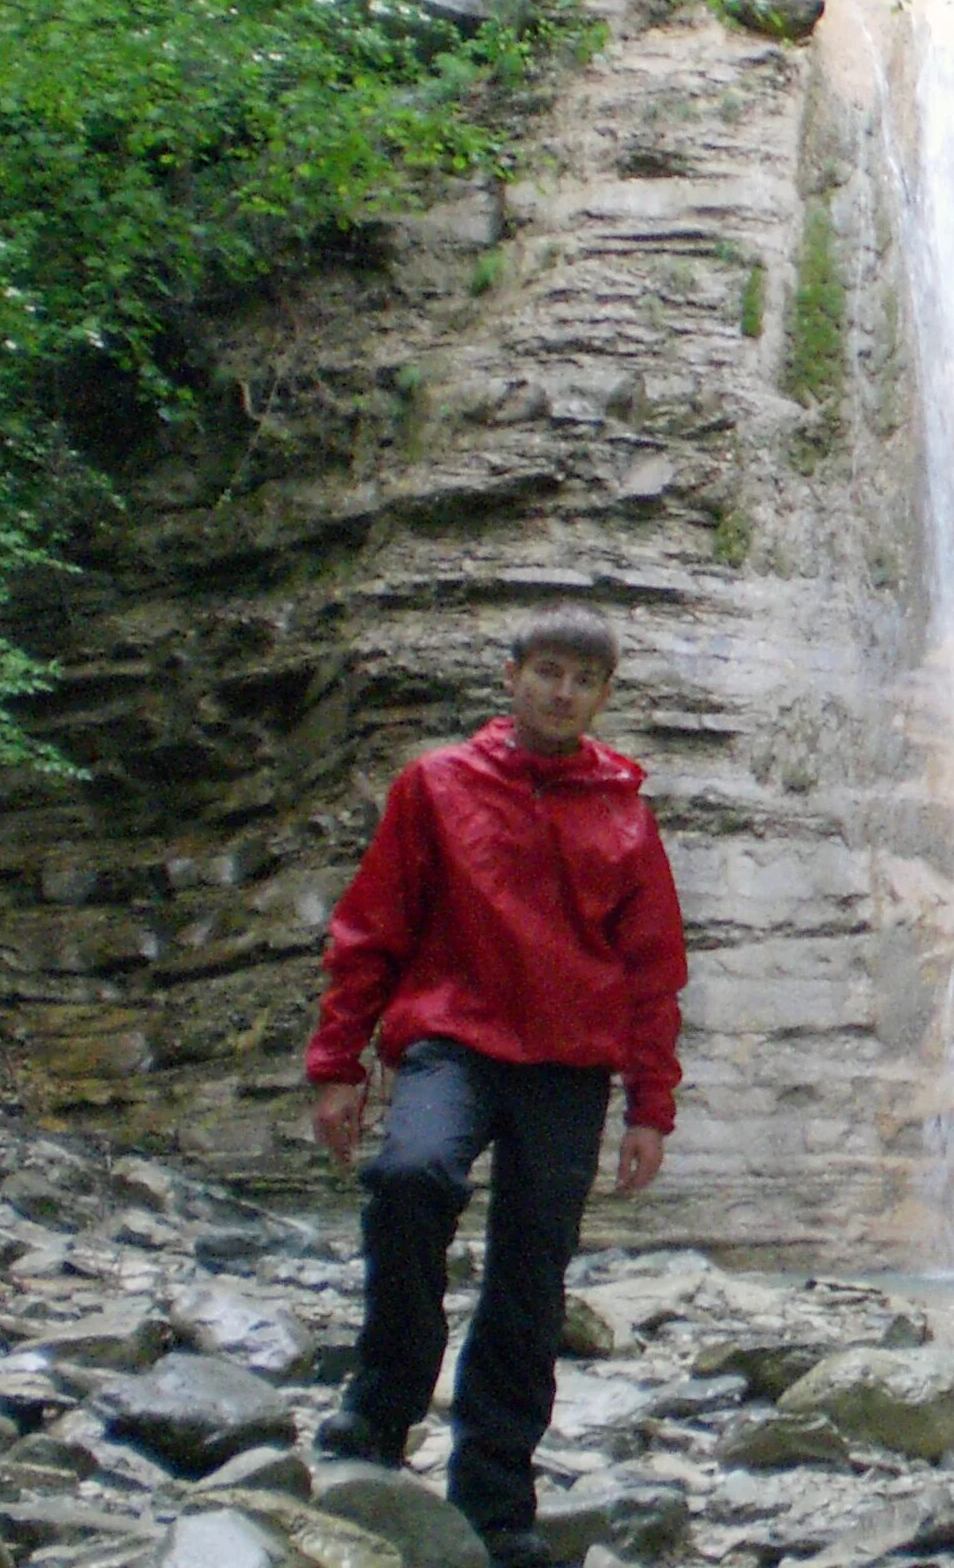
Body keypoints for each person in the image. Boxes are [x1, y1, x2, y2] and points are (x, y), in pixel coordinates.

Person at [303, 607, 688, 1568]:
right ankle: (382, 1403)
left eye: (583, 680)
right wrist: (338, 1065)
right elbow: (371, 929)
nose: (562, 691)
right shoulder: (435, 787)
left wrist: (650, 1106)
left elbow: (652, 971)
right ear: (512, 675)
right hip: (453, 1040)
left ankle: (494, 1496)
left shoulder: (625, 815)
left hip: (567, 1065)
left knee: (530, 1274)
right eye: (547, 671)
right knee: (408, 1176)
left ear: (603, 697)